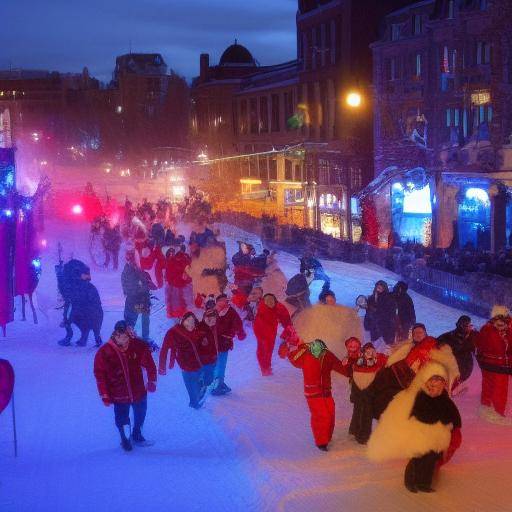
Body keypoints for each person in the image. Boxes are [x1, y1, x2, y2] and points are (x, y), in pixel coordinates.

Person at [368, 362, 462, 494]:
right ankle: (411, 481)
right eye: (431, 381)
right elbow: (409, 412)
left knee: (430, 460)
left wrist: (453, 426)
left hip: (437, 435)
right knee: (417, 458)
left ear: (443, 385)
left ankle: (424, 483)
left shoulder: (445, 401)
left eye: (438, 382)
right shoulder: (419, 397)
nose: (433, 386)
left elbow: (454, 416)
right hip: (420, 433)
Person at [371, 323, 459, 419]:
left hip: (421, 382)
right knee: (385, 384)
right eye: (415, 332)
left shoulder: (433, 345)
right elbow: (397, 357)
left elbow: (444, 364)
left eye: (420, 332)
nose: (417, 334)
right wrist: (387, 363)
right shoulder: (409, 346)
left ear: (425, 333)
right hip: (405, 377)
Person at [93, 320, 157, 451]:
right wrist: (104, 394)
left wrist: (152, 380)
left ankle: (137, 434)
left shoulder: (138, 346)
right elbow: (100, 375)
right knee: (122, 418)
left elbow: (149, 364)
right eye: (120, 335)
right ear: (115, 335)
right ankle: (125, 439)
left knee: (140, 413)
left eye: (127, 336)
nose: (124, 339)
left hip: (138, 390)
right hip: (118, 393)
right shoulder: (105, 352)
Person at [285, 338, 351, 451]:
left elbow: (341, 368)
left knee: (330, 414)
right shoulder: (304, 354)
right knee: (322, 416)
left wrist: (351, 368)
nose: (317, 351)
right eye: (314, 348)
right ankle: (321, 442)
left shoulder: (328, 355)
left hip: (326, 391)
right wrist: (292, 347)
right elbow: (293, 359)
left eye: (320, 349)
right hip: (312, 393)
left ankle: (327, 437)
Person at [159, 312, 212, 409]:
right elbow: (164, 349)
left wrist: (204, 342)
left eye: (192, 321)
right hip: (186, 366)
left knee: (199, 382)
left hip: (199, 364)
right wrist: (162, 367)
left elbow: (201, 343)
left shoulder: (196, 331)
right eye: (188, 321)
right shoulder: (174, 332)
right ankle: (194, 404)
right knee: (191, 386)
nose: (190, 324)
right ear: (182, 321)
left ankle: (199, 396)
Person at [475, 306, 512, 425]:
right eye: (497, 319)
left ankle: (498, 411)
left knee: (500, 389)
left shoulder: (510, 331)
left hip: (502, 366)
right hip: (488, 364)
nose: (500, 322)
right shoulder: (487, 329)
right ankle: (487, 407)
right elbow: (479, 344)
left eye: (503, 319)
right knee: (489, 386)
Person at [349, 342, 387, 444]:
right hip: (361, 391)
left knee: (365, 412)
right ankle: (358, 433)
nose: (369, 353)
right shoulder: (358, 361)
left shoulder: (378, 359)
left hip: (369, 392)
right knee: (360, 411)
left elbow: (386, 361)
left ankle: (361, 435)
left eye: (371, 351)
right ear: (363, 352)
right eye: (367, 351)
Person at [60, 261, 103, 347]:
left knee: (71, 315)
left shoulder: (82, 288)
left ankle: (77, 336)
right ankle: (90, 337)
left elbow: (75, 305)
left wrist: (67, 319)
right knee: (72, 314)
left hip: (92, 315)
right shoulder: (85, 286)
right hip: (92, 315)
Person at [210, 294, 246, 395]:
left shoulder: (213, 311)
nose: (222, 303)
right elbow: (238, 323)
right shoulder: (229, 311)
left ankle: (215, 383)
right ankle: (217, 385)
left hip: (216, 342)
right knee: (220, 364)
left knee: (216, 363)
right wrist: (240, 334)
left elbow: (206, 325)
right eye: (221, 301)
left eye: (223, 301)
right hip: (222, 342)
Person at [121, 249, 156, 344]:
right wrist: (144, 286)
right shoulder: (129, 270)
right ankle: (130, 340)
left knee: (143, 319)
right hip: (135, 301)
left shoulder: (137, 269)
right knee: (131, 321)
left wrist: (147, 283)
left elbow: (146, 283)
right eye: (136, 257)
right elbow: (131, 287)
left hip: (140, 300)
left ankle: (144, 338)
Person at [254, 293, 291, 376]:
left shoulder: (279, 307)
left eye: (272, 300)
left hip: (272, 331)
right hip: (261, 331)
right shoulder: (262, 310)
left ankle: (267, 366)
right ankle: (265, 368)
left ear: (275, 301)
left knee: (269, 348)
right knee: (264, 348)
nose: (270, 302)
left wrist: (288, 330)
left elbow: (286, 319)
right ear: (264, 301)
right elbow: (257, 324)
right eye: (267, 300)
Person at [437, 315, 477, 388]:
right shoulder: (449, 336)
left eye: (470, 325)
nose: (469, 328)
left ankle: (455, 384)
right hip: (455, 368)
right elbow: (438, 343)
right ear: (461, 326)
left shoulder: (473, 336)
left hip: (464, 368)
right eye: (466, 326)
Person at [364, 281, 396, 346]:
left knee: (383, 347)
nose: (378, 288)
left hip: (385, 328)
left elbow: (390, 313)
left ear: (384, 288)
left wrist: (376, 310)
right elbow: (368, 312)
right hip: (374, 327)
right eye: (377, 287)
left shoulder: (389, 299)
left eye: (381, 287)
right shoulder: (371, 298)